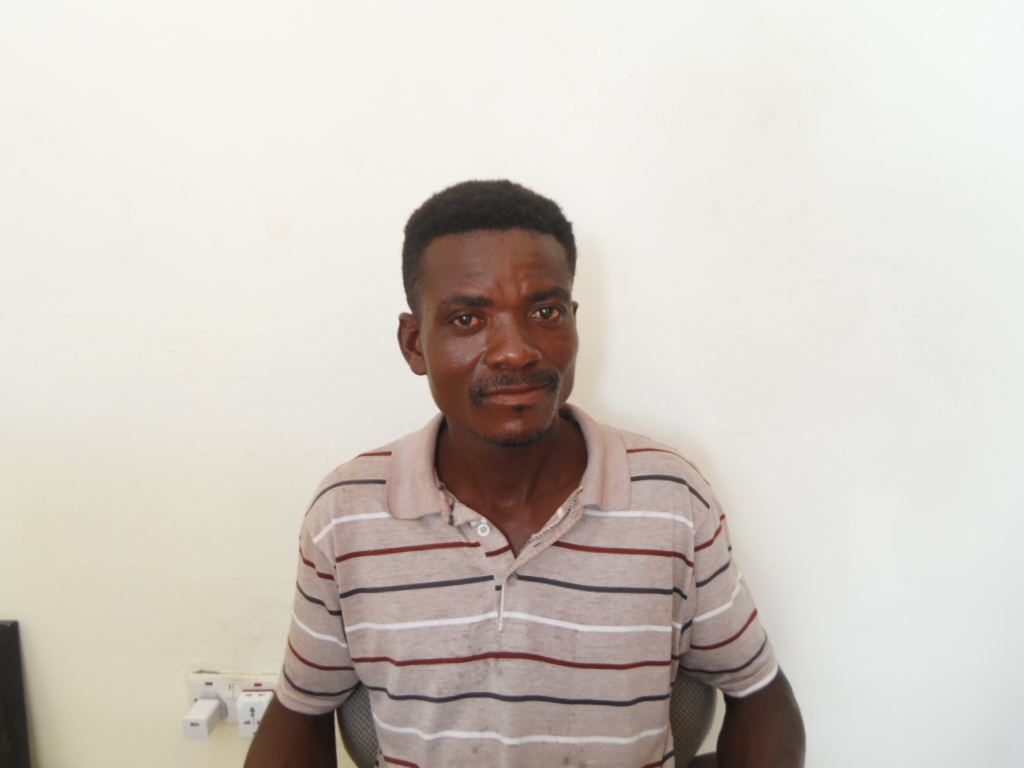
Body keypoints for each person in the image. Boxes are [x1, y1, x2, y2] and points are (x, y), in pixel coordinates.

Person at [245, 180, 805, 768]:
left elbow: (759, 694)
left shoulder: (670, 497)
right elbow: (302, 710)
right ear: (415, 345)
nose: (515, 351)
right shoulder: (348, 512)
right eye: (468, 318)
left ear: (574, 322)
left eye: (545, 312)